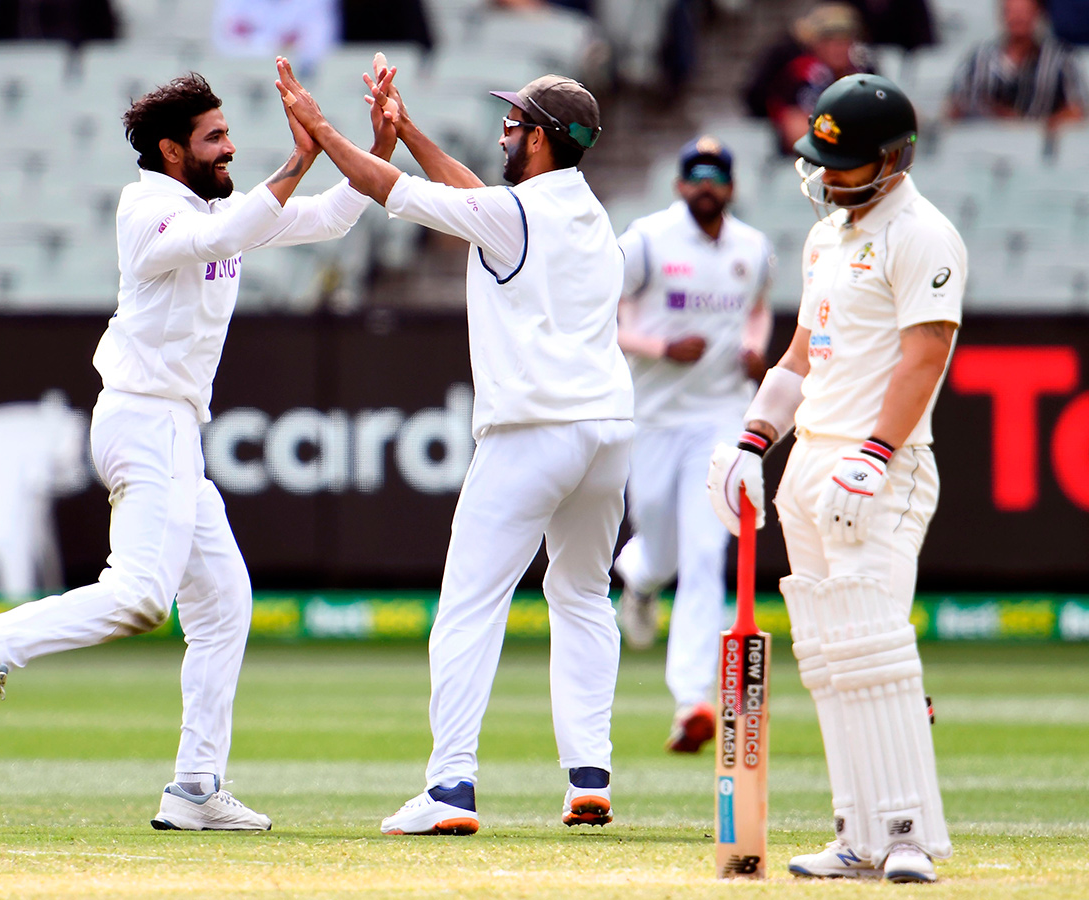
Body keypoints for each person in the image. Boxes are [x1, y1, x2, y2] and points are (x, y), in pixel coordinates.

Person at [0, 70, 389, 831]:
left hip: (172, 429)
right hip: (145, 421)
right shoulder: (146, 206)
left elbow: (334, 219)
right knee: (144, 596)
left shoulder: (223, 207)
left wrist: (371, 147)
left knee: (222, 605)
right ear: (172, 149)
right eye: (214, 138)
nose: (230, 147)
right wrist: (301, 155)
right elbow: (221, 237)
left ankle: (194, 788)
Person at [275, 57, 634, 835]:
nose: (503, 131)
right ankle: (588, 780)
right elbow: (476, 200)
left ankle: (449, 790)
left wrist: (322, 126)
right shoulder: (585, 215)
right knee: (582, 596)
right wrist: (404, 130)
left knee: (470, 607)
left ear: (537, 140)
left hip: (532, 433)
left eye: (514, 123)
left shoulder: (516, 215)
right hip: (608, 436)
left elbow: (385, 189)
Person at [707, 74, 965, 883]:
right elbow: (797, 358)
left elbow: (926, 358)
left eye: (843, 162)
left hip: (880, 469)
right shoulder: (827, 239)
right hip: (812, 467)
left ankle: (910, 835)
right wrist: (753, 441)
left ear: (893, 159)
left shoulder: (922, 232)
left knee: (875, 649)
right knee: (825, 659)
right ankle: (856, 834)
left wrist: (876, 454)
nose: (824, 175)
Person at [611, 135, 774, 756]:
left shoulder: (753, 248)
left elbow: (757, 310)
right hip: (653, 416)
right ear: (681, 184)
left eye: (717, 177)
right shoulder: (648, 239)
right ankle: (640, 578)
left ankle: (692, 701)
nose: (707, 186)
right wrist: (659, 348)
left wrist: (755, 350)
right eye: (696, 176)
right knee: (660, 543)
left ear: (730, 187)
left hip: (720, 418)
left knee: (706, 557)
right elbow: (608, 312)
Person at [743, 3, 874, 155]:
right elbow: (798, 131)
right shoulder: (802, 72)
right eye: (829, 40)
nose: (838, 47)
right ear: (815, 43)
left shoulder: (863, 70)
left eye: (845, 39)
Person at [947, 0, 1086, 127]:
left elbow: (1076, 110)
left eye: (1024, 12)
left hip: (1038, 143)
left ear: (1038, 14)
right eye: (1012, 11)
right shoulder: (979, 59)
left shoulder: (1061, 59)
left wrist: (1035, 127)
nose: (1018, 18)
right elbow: (955, 107)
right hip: (985, 140)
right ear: (1001, 14)